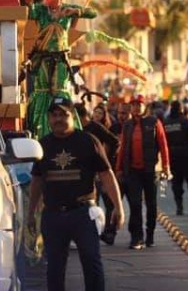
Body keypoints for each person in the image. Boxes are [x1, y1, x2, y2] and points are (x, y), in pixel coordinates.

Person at [28, 97, 124, 291]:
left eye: (64, 114)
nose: (58, 119)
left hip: (82, 214)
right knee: (54, 268)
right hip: (53, 215)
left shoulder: (88, 141)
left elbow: (106, 175)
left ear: (73, 116)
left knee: (91, 263)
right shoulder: (42, 145)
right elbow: (37, 180)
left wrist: (118, 208)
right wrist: (31, 213)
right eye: (54, 115)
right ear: (48, 118)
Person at [19, 0, 97, 140]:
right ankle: (41, 133)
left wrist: (76, 11)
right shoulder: (41, 11)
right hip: (43, 60)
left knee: (60, 94)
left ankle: (69, 133)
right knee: (42, 93)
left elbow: (93, 13)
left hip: (61, 61)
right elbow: (29, 10)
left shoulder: (67, 10)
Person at [115, 94, 170, 249]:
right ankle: (136, 237)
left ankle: (150, 235)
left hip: (150, 170)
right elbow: (123, 148)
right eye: (133, 105)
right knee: (135, 204)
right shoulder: (127, 125)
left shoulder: (154, 123)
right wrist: (119, 168)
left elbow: (163, 145)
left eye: (139, 104)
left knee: (151, 204)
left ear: (145, 106)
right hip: (132, 171)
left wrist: (166, 167)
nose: (136, 107)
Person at [76, 103, 121, 246]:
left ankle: (108, 232)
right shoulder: (76, 131)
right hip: (85, 174)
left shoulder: (95, 128)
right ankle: (93, 232)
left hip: (100, 171)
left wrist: (105, 158)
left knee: (108, 203)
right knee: (91, 203)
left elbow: (114, 141)